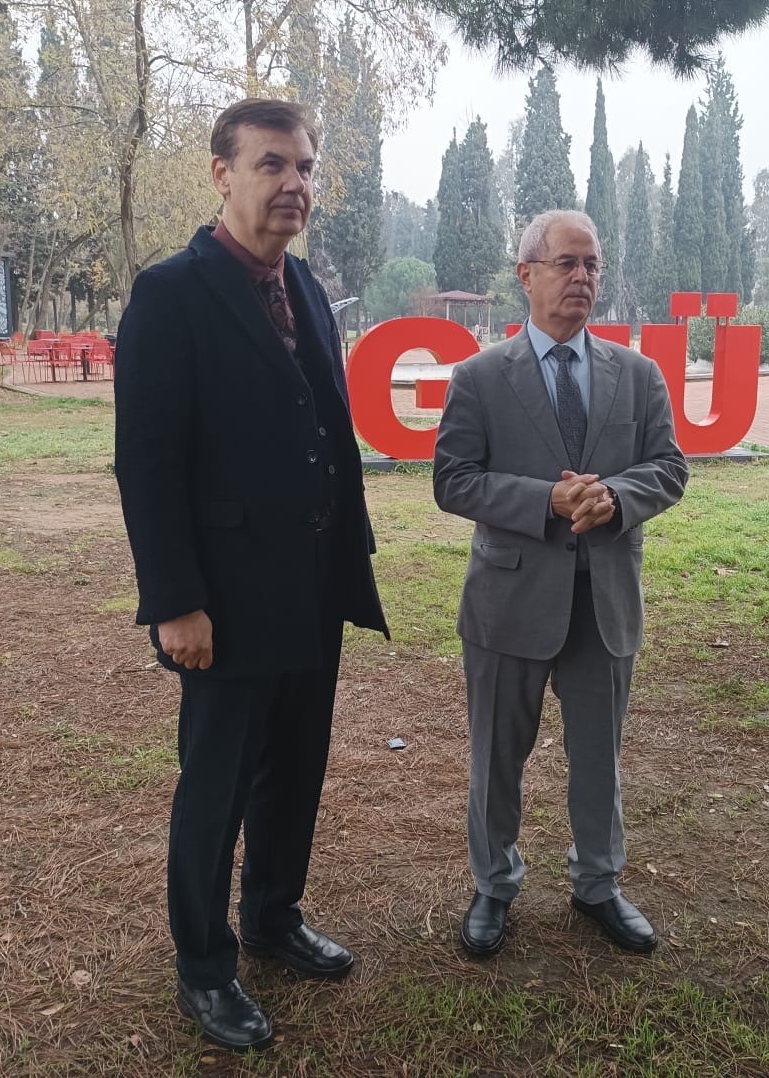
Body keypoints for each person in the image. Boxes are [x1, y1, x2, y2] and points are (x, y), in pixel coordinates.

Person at [113, 98, 386, 1052]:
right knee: (216, 786)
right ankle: (204, 964)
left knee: (296, 766)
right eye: (272, 164)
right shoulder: (170, 294)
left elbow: (325, 428)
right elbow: (147, 464)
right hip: (224, 600)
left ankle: (273, 915)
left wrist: (348, 553)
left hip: (314, 582)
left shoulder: (303, 283)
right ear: (221, 173)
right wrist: (175, 601)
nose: (294, 183)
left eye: (305, 167)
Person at [432, 209, 688, 957]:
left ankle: (598, 883)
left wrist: (618, 497)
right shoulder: (480, 378)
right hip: (508, 602)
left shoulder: (637, 376)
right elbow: (453, 480)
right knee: (496, 757)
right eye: (566, 263)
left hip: (603, 602)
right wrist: (545, 500)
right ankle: (493, 883)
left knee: (599, 757)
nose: (582, 277)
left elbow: (669, 467)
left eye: (592, 264)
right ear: (526, 275)